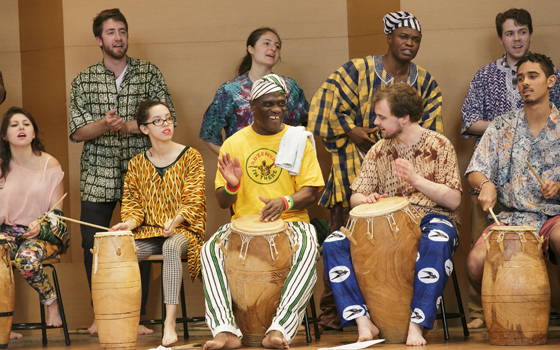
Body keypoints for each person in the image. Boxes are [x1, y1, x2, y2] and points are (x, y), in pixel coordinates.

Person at [307, 11, 444, 332]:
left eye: (416, 39)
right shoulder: (356, 70)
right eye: (403, 37)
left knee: (399, 256)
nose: (410, 43)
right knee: (345, 248)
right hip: (356, 176)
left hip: (407, 185)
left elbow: (432, 133)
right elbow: (320, 107)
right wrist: (351, 129)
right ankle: (339, 315)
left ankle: (396, 315)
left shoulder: (425, 82)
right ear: (389, 37)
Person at [322, 83, 461, 346]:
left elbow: (454, 201)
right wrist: (366, 199)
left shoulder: (440, 144)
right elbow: (355, 198)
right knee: (333, 244)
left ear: (404, 118)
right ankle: (364, 322)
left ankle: (417, 325)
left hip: (431, 220)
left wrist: (417, 179)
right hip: (382, 228)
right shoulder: (378, 149)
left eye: (382, 117)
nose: (375, 123)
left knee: (437, 239)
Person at [68, 8, 175, 335]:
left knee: (138, 245)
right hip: (96, 177)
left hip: (140, 175)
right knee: (93, 246)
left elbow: (167, 120)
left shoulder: (148, 73)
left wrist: (129, 126)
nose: (118, 37)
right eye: (111, 32)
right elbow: (75, 131)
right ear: (99, 39)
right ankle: (101, 314)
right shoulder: (84, 80)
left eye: (122, 31)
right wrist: (104, 124)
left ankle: (136, 316)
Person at [201, 74, 324, 350]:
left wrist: (284, 202)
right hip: (243, 223)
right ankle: (224, 329)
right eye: (268, 104)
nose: (277, 110)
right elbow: (222, 201)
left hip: (291, 222)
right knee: (208, 250)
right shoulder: (234, 143)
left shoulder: (298, 138)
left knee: (307, 249)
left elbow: (310, 192)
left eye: (281, 104)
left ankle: (281, 328)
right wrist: (232, 187)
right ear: (252, 106)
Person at [460, 9, 560, 328]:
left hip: (553, 215)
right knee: (475, 263)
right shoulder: (503, 126)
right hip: (514, 217)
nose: (524, 83)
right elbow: (476, 169)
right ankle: (503, 312)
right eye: (520, 78)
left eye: (532, 77)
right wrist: (486, 183)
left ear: (551, 81)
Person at [111, 100, 206, 346]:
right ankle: (122, 321)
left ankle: (169, 323)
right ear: (144, 129)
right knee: (123, 252)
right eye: (158, 120)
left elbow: (194, 201)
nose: (166, 124)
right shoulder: (136, 164)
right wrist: (128, 225)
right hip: (148, 232)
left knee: (171, 247)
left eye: (168, 118)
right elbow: (133, 207)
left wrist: (175, 222)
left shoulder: (190, 156)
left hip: (184, 231)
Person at [0, 107, 69, 340]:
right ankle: (2, 323)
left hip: (41, 232)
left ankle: (51, 301)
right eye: (14, 124)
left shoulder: (50, 164)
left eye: (26, 124)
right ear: (4, 135)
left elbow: (56, 211)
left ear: (33, 132)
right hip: (6, 232)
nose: (21, 127)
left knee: (25, 260)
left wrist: (41, 225)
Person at [199, 27, 309, 155]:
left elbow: (310, 121)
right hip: (245, 167)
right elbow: (208, 133)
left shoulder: (290, 87)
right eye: (266, 43)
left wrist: (296, 151)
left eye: (277, 46)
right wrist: (231, 159)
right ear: (250, 49)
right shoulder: (230, 90)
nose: (273, 48)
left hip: (284, 165)